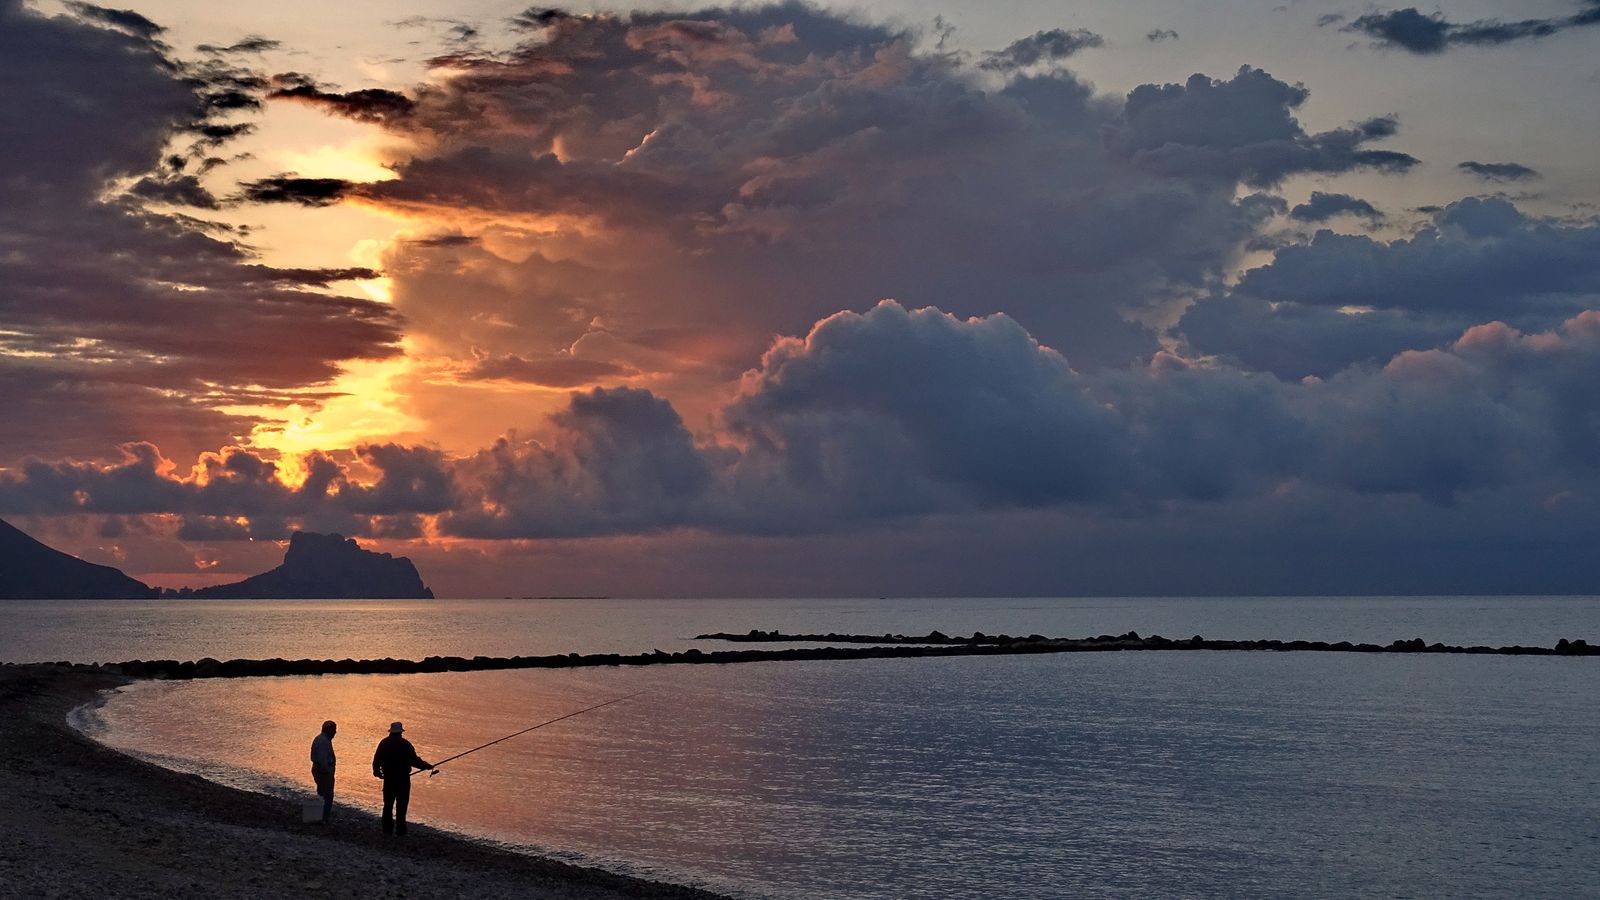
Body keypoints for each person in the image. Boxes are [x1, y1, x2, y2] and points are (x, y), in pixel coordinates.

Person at [372, 721, 433, 835]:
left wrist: (377, 773)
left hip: (389, 779)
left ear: (391, 732)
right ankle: (400, 830)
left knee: (388, 804)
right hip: (403, 779)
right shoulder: (405, 744)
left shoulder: (384, 743)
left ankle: (387, 829)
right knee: (402, 805)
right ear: (400, 732)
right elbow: (414, 760)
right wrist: (426, 766)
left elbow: (376, 760)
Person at [309, 720, 337, 823]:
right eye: (334, 730)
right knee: (327, 795)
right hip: (323, 771)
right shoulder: (324, 741)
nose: (335, 732)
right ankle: (323, 818)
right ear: (329, 730)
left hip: (320, 769)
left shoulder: (321, 739)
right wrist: (328, 772)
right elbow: (322, 760)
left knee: (322, 793)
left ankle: (319, 816)